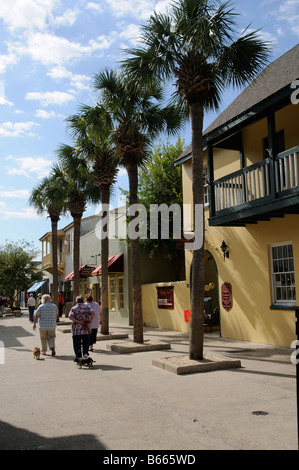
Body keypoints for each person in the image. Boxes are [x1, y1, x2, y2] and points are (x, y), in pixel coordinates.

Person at [68, 296, 94, 362]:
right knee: (86, 342)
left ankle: (78, 356)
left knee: (77, 343)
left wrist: (78, 321)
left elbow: (70, 316)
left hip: (76, 329)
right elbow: (93, 312)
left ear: (76, 301)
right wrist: (90, 322)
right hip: (86, 328)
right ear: (83, 301)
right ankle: (85, 354)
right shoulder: (87, 307)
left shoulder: (74, 308)